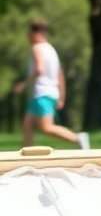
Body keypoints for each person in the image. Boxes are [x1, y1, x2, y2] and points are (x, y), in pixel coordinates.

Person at [13, 20, 88, 149]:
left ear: (35, 34)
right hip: (50, 93)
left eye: (29, 34)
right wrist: (62, 96)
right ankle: (26, 155)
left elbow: (39, 69)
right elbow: (60, 74)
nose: (28, 38)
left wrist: (23, 85)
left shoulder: (37, 48)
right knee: (27, 124)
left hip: (42, 93)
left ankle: (77, 138)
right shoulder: (51, 50)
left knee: (46, 127)